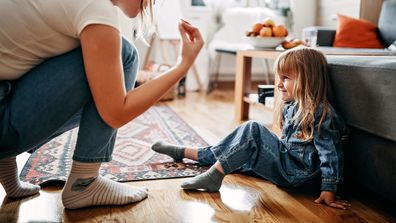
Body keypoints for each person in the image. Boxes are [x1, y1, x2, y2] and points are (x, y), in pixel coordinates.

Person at [0, 0, 203, 209]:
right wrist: (182, 65)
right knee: (125, 54)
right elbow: (116, 113)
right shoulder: (94, 6)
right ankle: (84, 183)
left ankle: (5, 160)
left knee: (98, 63)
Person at [152, 47, 351, 210]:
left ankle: (214, 176)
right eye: (278, 78)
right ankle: (184, 152)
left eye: (286, 78)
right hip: (288, 165)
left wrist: (329, 189)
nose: (279, 84)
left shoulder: (320, 113)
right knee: (236, 151)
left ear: (308, 80)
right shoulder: (293, 105)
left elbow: (331, 153)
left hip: (298, 174)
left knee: (252, 130)